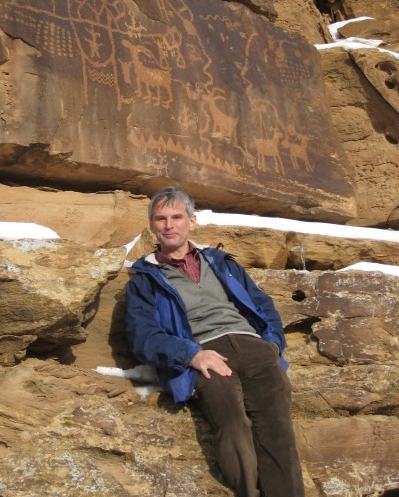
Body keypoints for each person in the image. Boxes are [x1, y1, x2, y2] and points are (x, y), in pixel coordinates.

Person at [125, 185, 305, 497]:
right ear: (152, 225)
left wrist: (273, 345)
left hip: (255, 348)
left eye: (177, 217)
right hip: (206, 353)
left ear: (191, 222)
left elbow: (264, 307)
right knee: (234, 429)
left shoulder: (221, 263)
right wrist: (191, 355)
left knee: (278, 430)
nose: (169, 225)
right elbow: (143, 336)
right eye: (161, 219)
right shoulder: (145, 279)